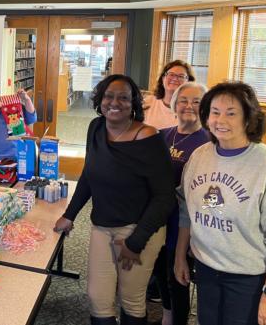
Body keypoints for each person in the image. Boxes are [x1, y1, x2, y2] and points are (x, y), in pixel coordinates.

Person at [53, 74, 175, 325]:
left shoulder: (148, 137)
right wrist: (70, 214)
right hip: (102, 225)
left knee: (131, 299)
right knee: (98, 298)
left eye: (124, 98)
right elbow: (88, 174)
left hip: (139, 229)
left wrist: (135, 241)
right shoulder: (96, 128)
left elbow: (164, 197)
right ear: (100, 99)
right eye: (109, 96)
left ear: (134, 104)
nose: (115, 102)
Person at [175, 82, 266, 325]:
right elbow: (186, 211)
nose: (220, 120)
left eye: (231, 113)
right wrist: (180, 256)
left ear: (248, 118)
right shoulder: (200, 155)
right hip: (205, 267)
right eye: (215, 112)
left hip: (248, 277)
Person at [153, 82, 210, 325]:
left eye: (196, 101)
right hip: (157, 218)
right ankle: (167, 316)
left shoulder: (209, 142)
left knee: (178, 276)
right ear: (174, 104)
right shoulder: (162, 135)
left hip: (185, 223)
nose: (189, 106)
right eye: (184, 100)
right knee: (159, 269)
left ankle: (178, 320)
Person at [144, 60, 196, 130]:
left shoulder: (192, 109)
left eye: (181, 76)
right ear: (163, 79)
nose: (175, 78)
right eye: (171, 74)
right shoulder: (148, 102)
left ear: (188, 82)